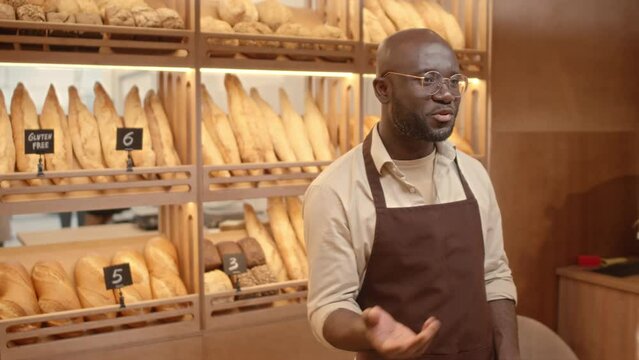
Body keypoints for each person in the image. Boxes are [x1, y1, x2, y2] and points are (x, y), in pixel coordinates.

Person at [304, 29, 519, 360]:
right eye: (428, 79)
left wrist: (509, 354)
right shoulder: (335, 190)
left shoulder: (474, 174)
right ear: (383, 89)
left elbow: (495, 276)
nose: (446, 94)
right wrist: (368, 332)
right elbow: (329, 305)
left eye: (453, 81)